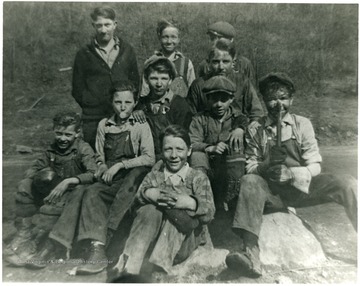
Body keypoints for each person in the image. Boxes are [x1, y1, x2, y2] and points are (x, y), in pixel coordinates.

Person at [225, 72, 358, 278]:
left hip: (301, 190)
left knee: (347, 182)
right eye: (272, 99)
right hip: (272, 194)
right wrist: (267, 165)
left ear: (291, 99)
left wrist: (292, 174)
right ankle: (251, 254)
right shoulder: (256, 129)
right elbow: (250, 168)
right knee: (249, 181)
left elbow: (315, 165)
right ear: (264, 100)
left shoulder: (302, 124)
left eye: (283, 98)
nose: (278, 104)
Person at [108, 125, 215, 282]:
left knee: (175, 213)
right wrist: (149, 194)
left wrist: (190, 203)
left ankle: (159, 270)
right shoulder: (154, 176)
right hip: (150, 241)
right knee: (149, 210)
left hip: (183, 243)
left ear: (189, 151)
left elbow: (209, 213)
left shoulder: (197, 178)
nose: (173, 155)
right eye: (168, 149)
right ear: (162, 151)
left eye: (180, 149)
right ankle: (129, 266)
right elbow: (134, 207)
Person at [73, 82, 155, 275]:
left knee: (126, 190)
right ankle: (97, 248)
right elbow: (99, 155)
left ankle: (111, 238)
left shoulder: (140, 125)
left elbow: (149, 157)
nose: (123, 106)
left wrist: (121, 164)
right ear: (111, 102)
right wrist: (102, 165)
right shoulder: (104, 125)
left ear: (135, 103)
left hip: (132, 176)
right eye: (118, 102)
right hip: (111, 177)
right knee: (92, 192)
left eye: (128, 102)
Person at [5, 112, 97, 267]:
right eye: (58, 133)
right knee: (24, 186)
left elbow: (94, 174)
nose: (62, 139)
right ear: (54, 130)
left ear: (78, 133)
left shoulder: (83, 149)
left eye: (68, 134)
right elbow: (33, 168)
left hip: (74, 193)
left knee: (51, 207)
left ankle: (42, 246)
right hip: (54, 190)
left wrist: (69, 181)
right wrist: (43, 177)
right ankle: (24, 234)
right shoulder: (52, 149)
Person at [72, 6, 140, 150]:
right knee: (95, 157)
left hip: (122, 115)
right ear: (93, 26)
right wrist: (91, 103)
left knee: (122, 154)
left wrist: (127, 106)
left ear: (115, 24)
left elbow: (135, 82)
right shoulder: (84, 53)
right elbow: (77, 88)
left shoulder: (127, 50)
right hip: (93, 118)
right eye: (99, 25)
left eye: (107, 24)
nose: (103, 30)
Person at [189, 76, 248, 208]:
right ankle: (202, 202)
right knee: (196, 156)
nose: (219, 104)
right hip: (209, 165)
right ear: (207, 99)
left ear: (231, 99)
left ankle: (233, 201)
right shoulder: (200, 119)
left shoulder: (239, 118)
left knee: (237, 150)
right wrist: (209, 147)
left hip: (229, 166)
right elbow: (192, 142)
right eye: (214, 99)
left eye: (224, 100)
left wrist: (240, 129)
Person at [187, 38, 263, 123]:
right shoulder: (198, 85)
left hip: (237, 131)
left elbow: (256, 112)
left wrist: (250, 126)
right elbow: (190, 115)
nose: (221, 67)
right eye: (216, 62)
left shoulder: (242, 82)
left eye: (226, 62)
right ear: (208, 63)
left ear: (233, 62)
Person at [133, 56, 193, 159]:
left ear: (170, 80)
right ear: (147, 80)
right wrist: (134, 113)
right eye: (154, 78)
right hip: (145, 157)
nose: (159, 84)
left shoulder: (179, 104)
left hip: (172, 157)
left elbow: (182, 138)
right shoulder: (141, 104)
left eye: (164, 78)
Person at [140, 19, 196, 98]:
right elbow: (144, 92)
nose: (169, 41)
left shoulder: (186, 63)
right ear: (159, 38)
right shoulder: (151, 62)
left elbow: (193, 93)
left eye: (173, 37)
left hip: (180, 108)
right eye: (165, 37)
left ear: (178, 39)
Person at [197, 21, 256, 87]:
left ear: (231, 40)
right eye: (212, 39)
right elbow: (199, 89)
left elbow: (253, 92)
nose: (215, 42)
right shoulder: (205, 65)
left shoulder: (244, 64)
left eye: (219, 38)